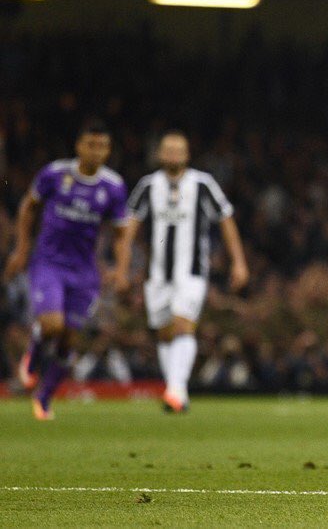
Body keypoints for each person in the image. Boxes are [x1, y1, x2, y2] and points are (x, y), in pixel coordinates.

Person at [3, 119, 130, 420]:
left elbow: (121, 232)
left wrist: (121, 269)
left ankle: (44, 398)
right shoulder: (55, 174)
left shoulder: (113, 187)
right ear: (79, 146)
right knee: (52, 325)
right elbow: (28, 207)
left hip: (85, 272)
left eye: (102, 146)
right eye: (91, 145)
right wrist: (22, 249)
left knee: (69, 340)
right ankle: (32, 355)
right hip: (49, 263)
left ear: (108, 150)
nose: (96, 151)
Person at [122, 131, 248, 412]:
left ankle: (175, 390)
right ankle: (177, 392)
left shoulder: (202, 184)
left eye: (179, 150)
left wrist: (238, 262)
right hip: (157, 275)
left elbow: (225, 219)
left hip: (191, 272)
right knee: (165, 334)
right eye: (168, 149)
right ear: (160, 154)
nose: (173, 155)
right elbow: (129, 227)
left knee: (182, 325)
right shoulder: (148, 186)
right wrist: (122, 268)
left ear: (187, 154)